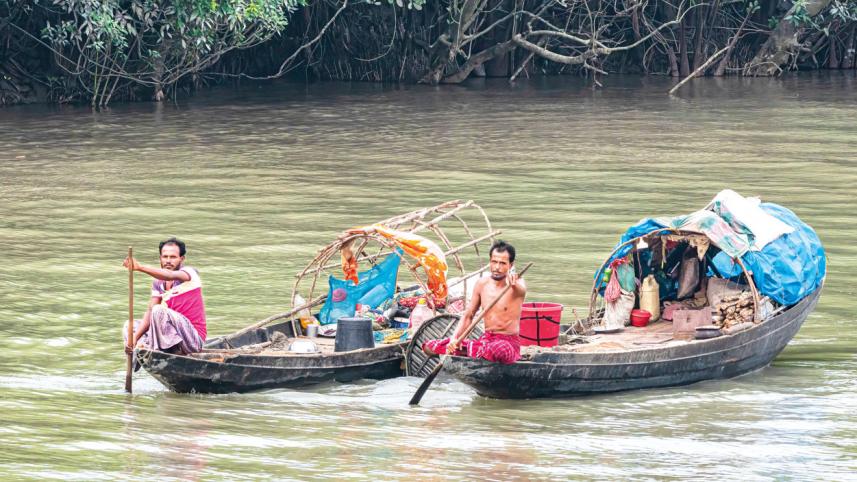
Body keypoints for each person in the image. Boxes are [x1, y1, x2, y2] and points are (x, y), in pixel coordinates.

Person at [422, 240, 526, 364]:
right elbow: (468, 316)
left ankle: (470, 351)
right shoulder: (482, 284)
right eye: (494, 262)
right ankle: (470, 350)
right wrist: (455, 340)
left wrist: (513, 283)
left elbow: (521, 289)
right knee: (429, 347)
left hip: (507, 342)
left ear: (511, 265)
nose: (497, 267)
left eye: (503, 263)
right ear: (490, 261)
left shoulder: (517, 284)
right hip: (486, 340)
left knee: (499, 350)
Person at [123, 237, 207, 356]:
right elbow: (150, 310)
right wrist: (134, 338)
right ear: (160, 258)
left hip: (192, 340)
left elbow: (170, 275)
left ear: (181, 259)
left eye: (173, 257)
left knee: (159, 311)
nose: (168, 260)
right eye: (165, 257)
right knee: (130, 325)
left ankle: (163, 350)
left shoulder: (189, 272)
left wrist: (140, 268)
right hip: (171, 337)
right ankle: (143, 348)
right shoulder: (158, 283)